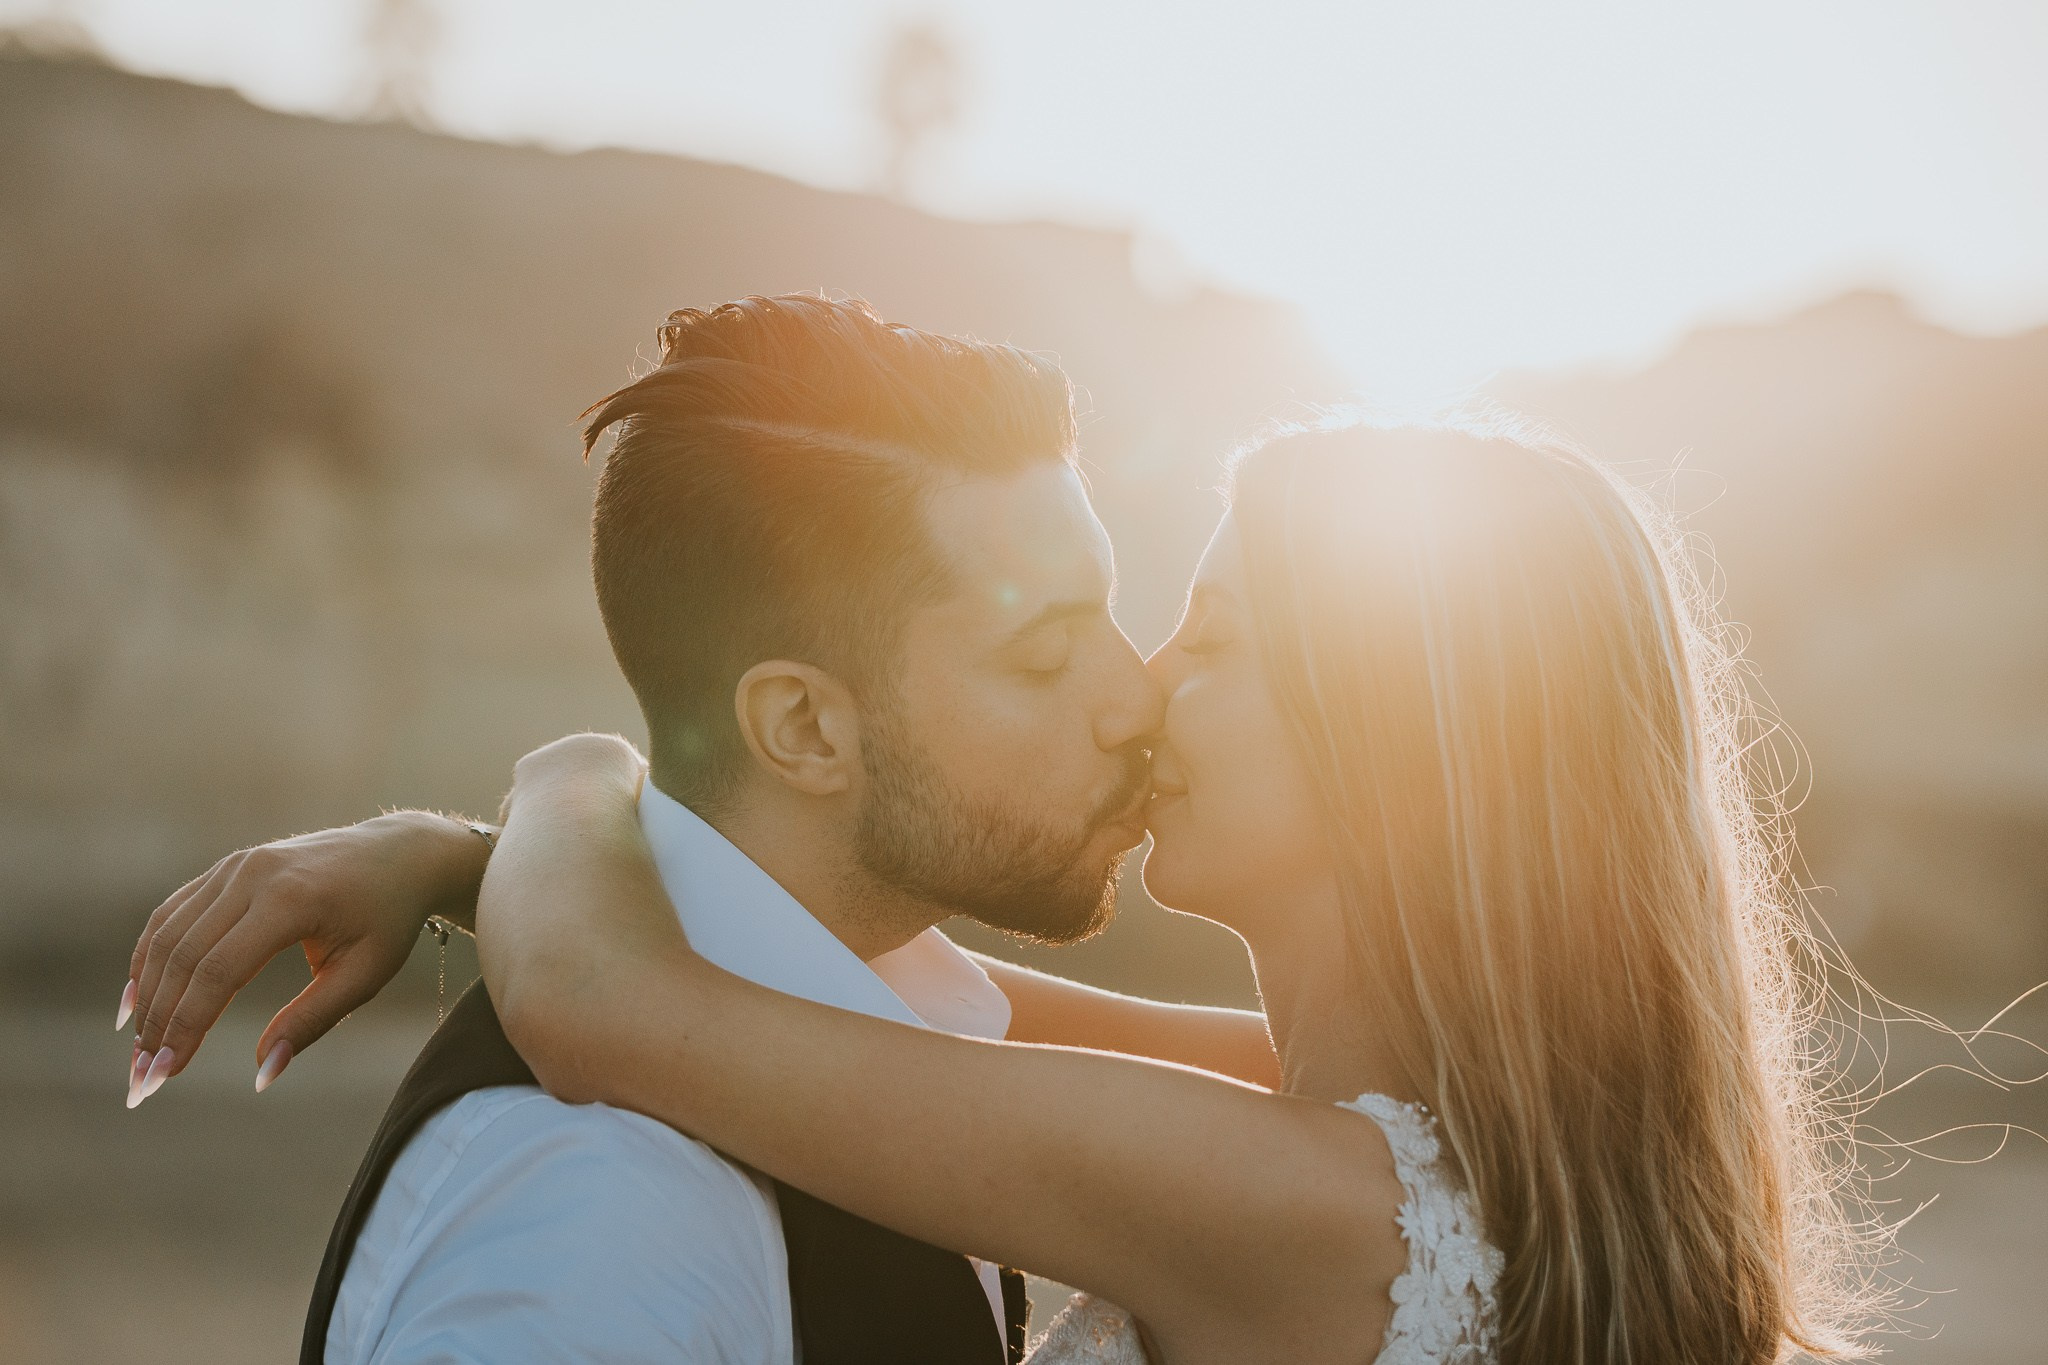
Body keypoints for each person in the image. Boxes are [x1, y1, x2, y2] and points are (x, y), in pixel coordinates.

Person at [130, 380, 1880, 1361]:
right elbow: (877, 995)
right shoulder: (1420, 1142)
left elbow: (608, 1004)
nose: (1143, 686)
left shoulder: (1301, 1199)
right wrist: (457, 865)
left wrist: (560, 780)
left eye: (1214, 637)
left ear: (1394, 754)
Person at [124, 294, 1272, 1364]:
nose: (1135, 701)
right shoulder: (598, 1209)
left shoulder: (902, 1008)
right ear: (805, 729)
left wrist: (471, 852)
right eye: (1043, 653)